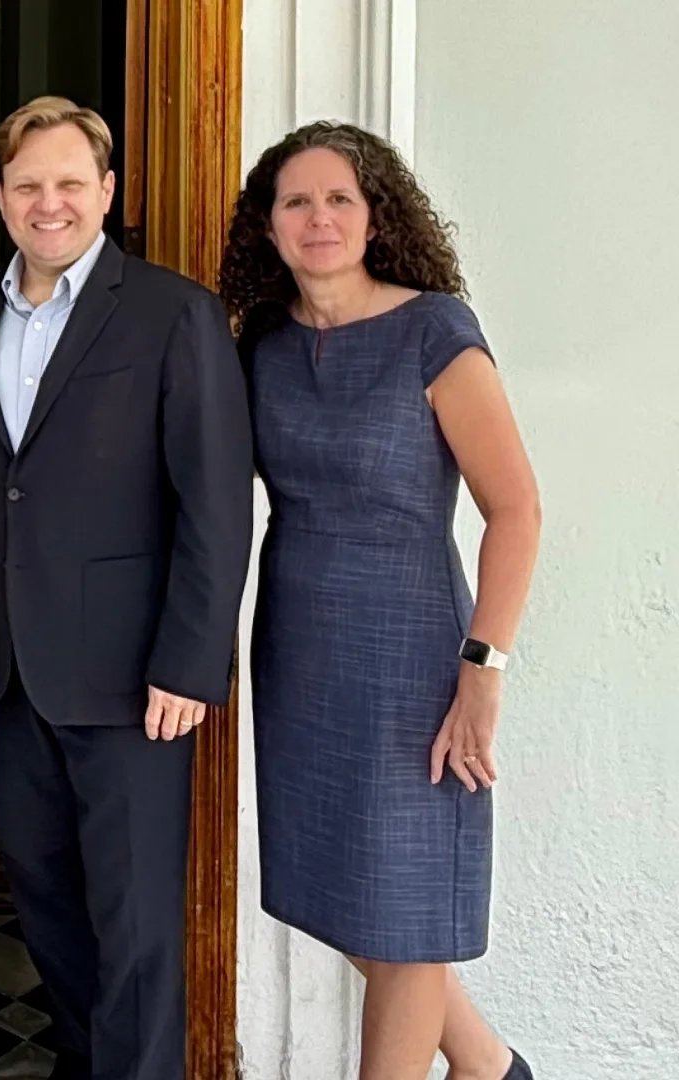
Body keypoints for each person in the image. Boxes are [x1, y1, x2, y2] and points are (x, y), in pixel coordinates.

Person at [0, 96, 253, 1080]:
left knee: (139, 928)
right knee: (42, 901)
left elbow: (216, 503)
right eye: (28, 184)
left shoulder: (174, 313)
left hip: (134, 681)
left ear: (108, 191)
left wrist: (190, 664)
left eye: (72, 182)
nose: (50, 202)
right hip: (14, 672)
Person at [219, 122, 541, 1080]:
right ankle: (492, 1068)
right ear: (266, 228)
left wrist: (482, 672)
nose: (319, 218)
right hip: (301, 649)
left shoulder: (433, 329)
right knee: (347, 896)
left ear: (376, 215)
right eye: (295, 202)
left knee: (402, 912)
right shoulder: (262, 349)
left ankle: (474, 1069)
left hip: (412, 652)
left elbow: (515, 508)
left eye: (339, 199)